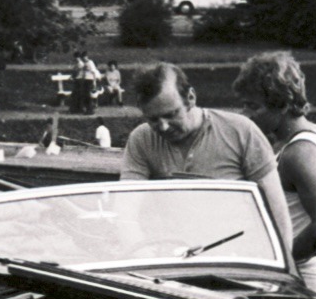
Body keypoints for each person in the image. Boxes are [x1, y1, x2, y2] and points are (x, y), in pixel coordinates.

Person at [121, 63, 292, 256]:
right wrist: (139, 252)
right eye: (153, 119)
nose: (163, 127)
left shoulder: (242, 131)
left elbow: (277, 214)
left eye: (171, 114)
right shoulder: (141, 139)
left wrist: (280, 262)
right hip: (171, 260)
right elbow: (126, 211)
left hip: (235, 259)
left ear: (191, 98)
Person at [234, 51, 316, 299]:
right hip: (296, 274)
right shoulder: (310, 136)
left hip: (303, 278)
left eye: (253, 106)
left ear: (282, 104)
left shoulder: (298, 152)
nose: (245, 114)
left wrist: (279, 257)